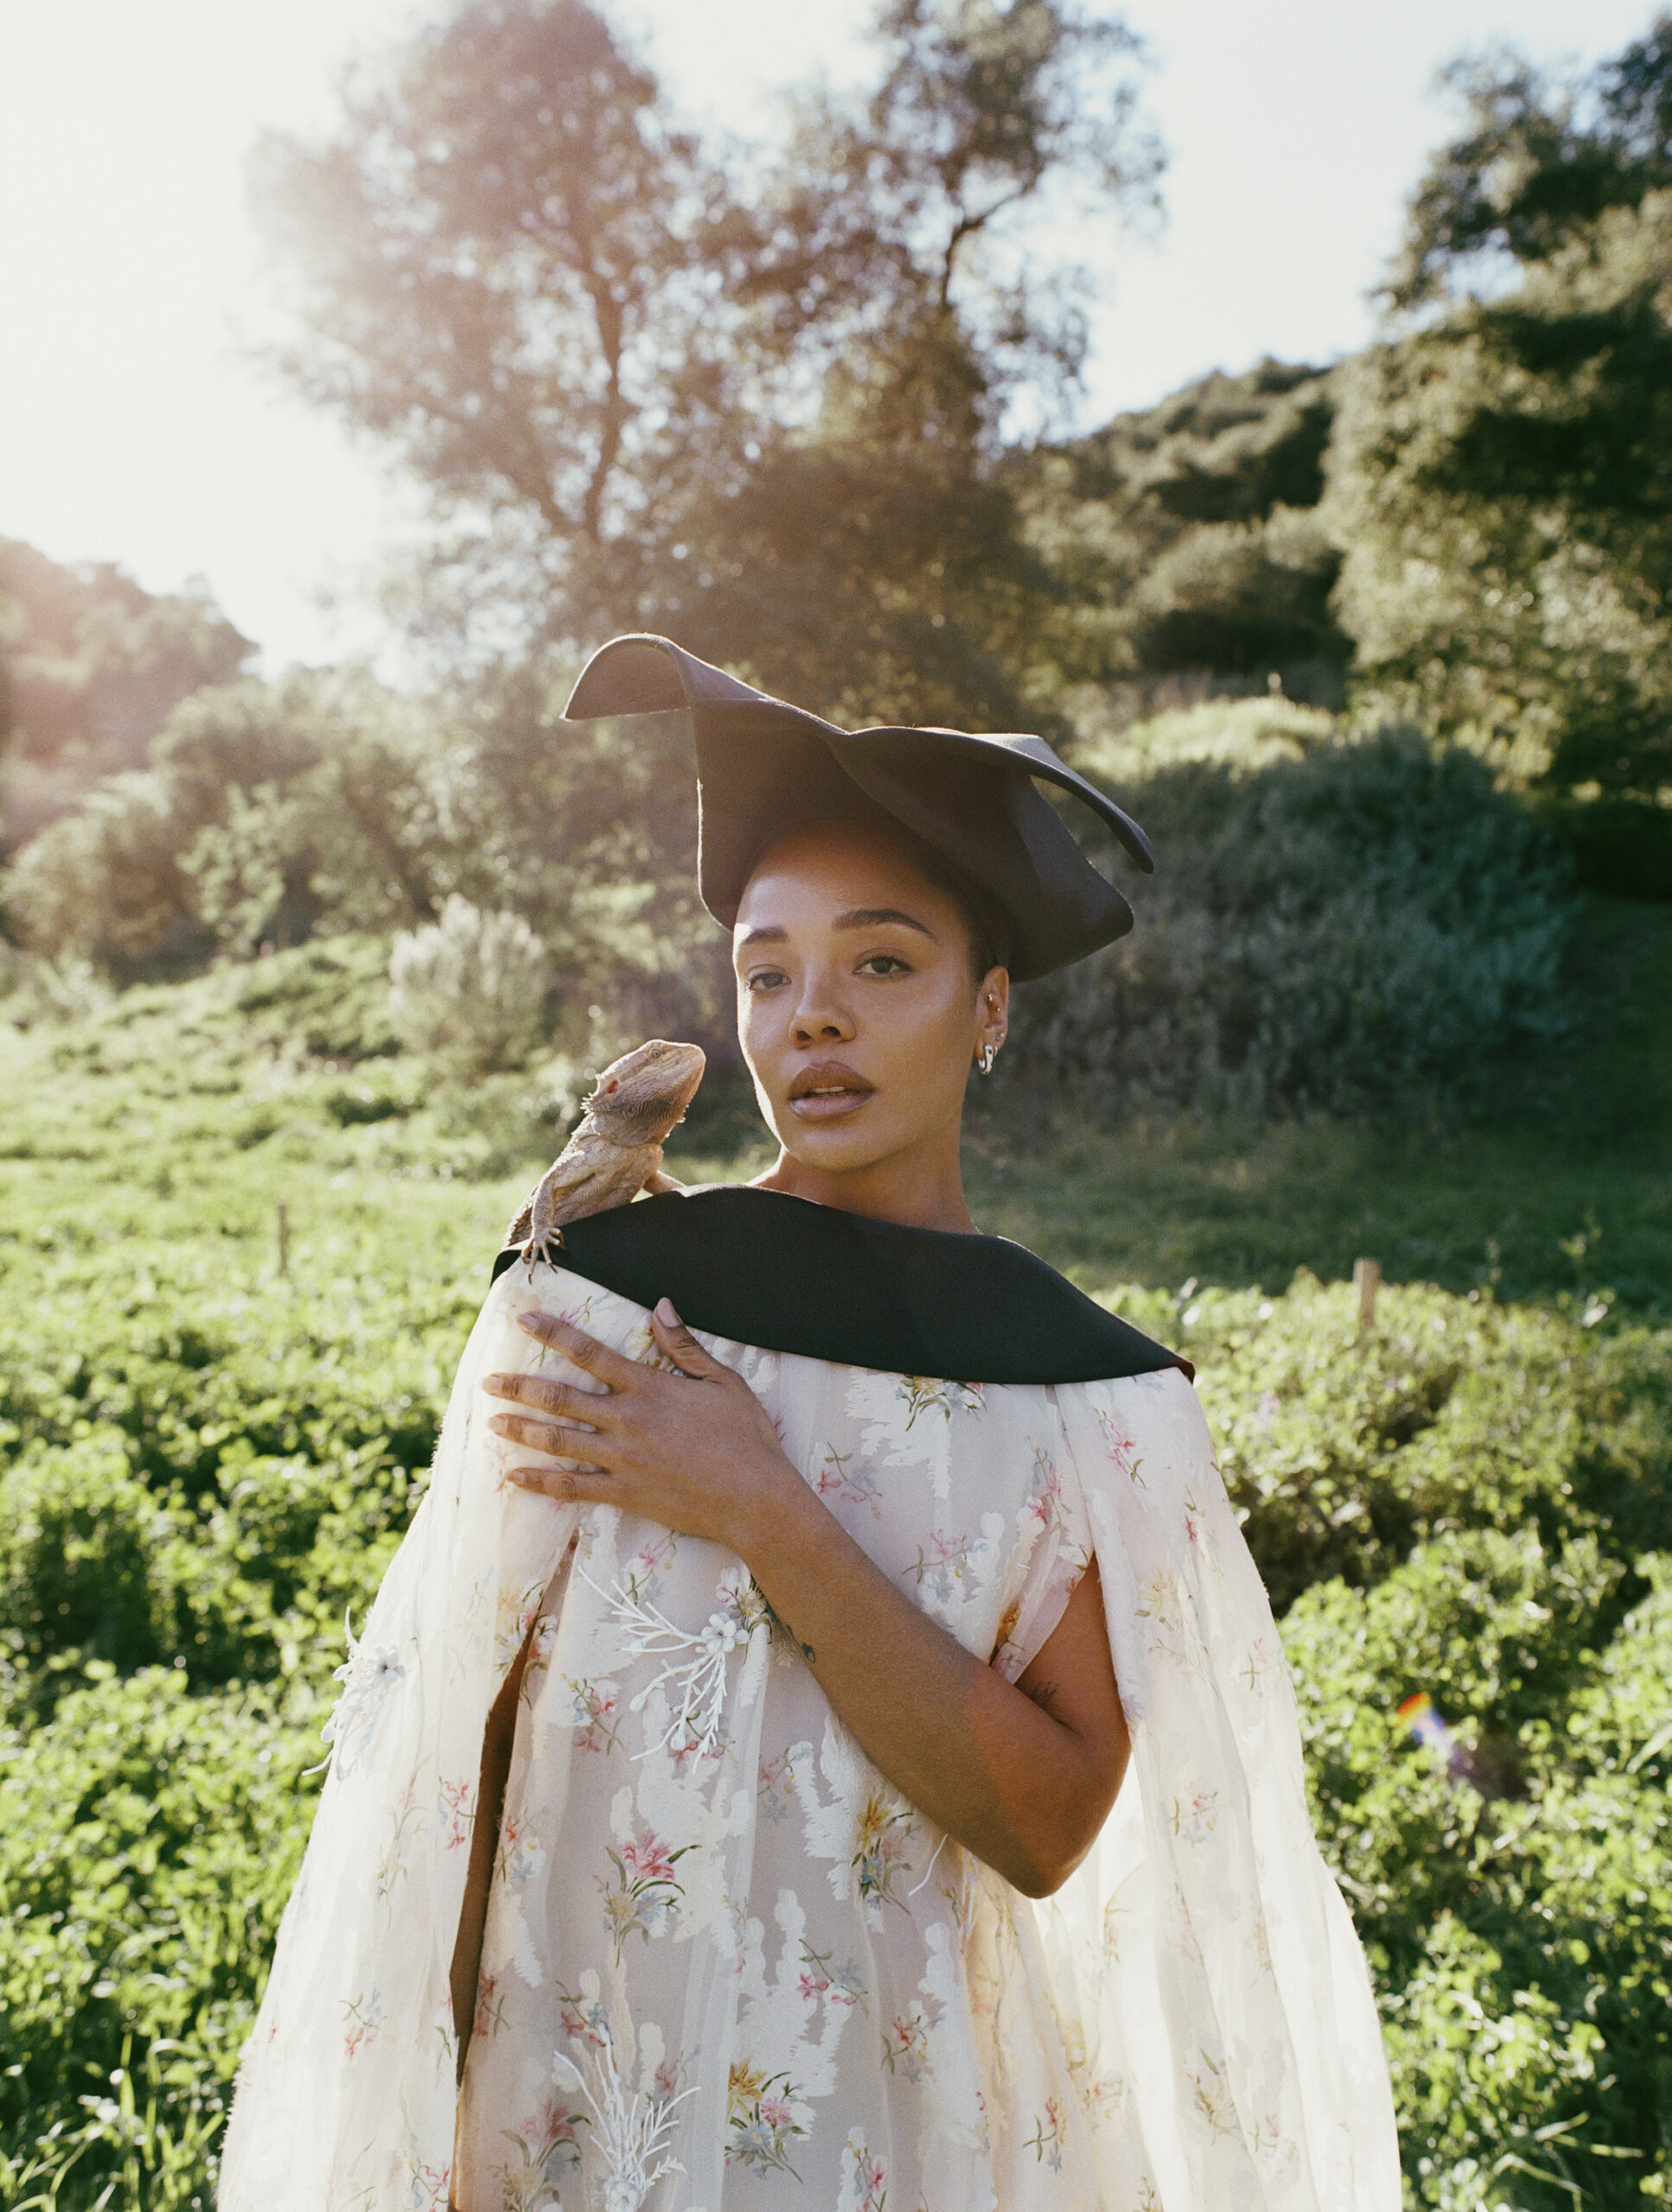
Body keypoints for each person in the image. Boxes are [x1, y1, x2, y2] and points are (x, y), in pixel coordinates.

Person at [221, 639, 1400, 2211]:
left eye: (882, 964)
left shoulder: (1084, 1396)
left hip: (891, 2132)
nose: (812, 1019)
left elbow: (1047, 1825)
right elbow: (458, 1745)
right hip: (572, 2108)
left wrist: (768, 1508)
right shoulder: (596, 1299)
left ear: (990, 1010)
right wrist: (439, 2111)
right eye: (769, 973)